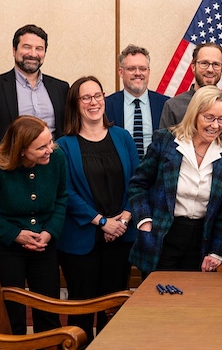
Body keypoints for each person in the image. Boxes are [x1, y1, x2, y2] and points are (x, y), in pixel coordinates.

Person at [57, 76, 139, 342]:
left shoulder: (122, 136)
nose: (94, 102)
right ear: (75, 103)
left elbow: (139, 182)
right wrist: (102, 222)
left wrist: (123, 219)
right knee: (81, 310)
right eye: (86, 97)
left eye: (98, 96)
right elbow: (66, 191)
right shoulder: (64, 145)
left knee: (113, 312)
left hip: (121, 236)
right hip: (81, 240)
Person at [128, 85, 222, 276]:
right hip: (161, 236)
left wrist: (217, 251)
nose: (215, 125)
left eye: (221, 119)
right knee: (158, 300)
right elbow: (138, 185)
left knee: (192, 302)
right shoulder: (165, 140)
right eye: (209, 117)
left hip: (201, 241)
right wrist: (145, 222)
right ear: (194, 114)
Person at [0, 115, 67, 335]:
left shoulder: (57, 158)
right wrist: (15, 234)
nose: (50, 149)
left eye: (50, 141)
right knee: (11, 314)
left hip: (44, 244)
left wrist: (49, 232)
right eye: (41, 147)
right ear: (22, 150)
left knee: (48, 312)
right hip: (6, 247)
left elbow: (62, 197)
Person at [0, 24, 69, 163]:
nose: (33, 54)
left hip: (51, 171)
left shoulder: (61, 88)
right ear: (14, 50)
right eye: (27, 47)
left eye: (39, 49)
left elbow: (67, 130)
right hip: (7, 173)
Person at [159, 43, 222, 138]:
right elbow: (163, 147)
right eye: (204, 63)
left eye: (216, 64)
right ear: (193, 67)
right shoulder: (173, 106)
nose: (210, 69)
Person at [105, 44, 170, 160]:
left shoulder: (166, 104)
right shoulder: (107, 106)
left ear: (148, 72)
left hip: (155, 174)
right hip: (120, 174)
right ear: (120, 72)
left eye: (142, 68)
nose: (138, 73)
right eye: (131, 69)